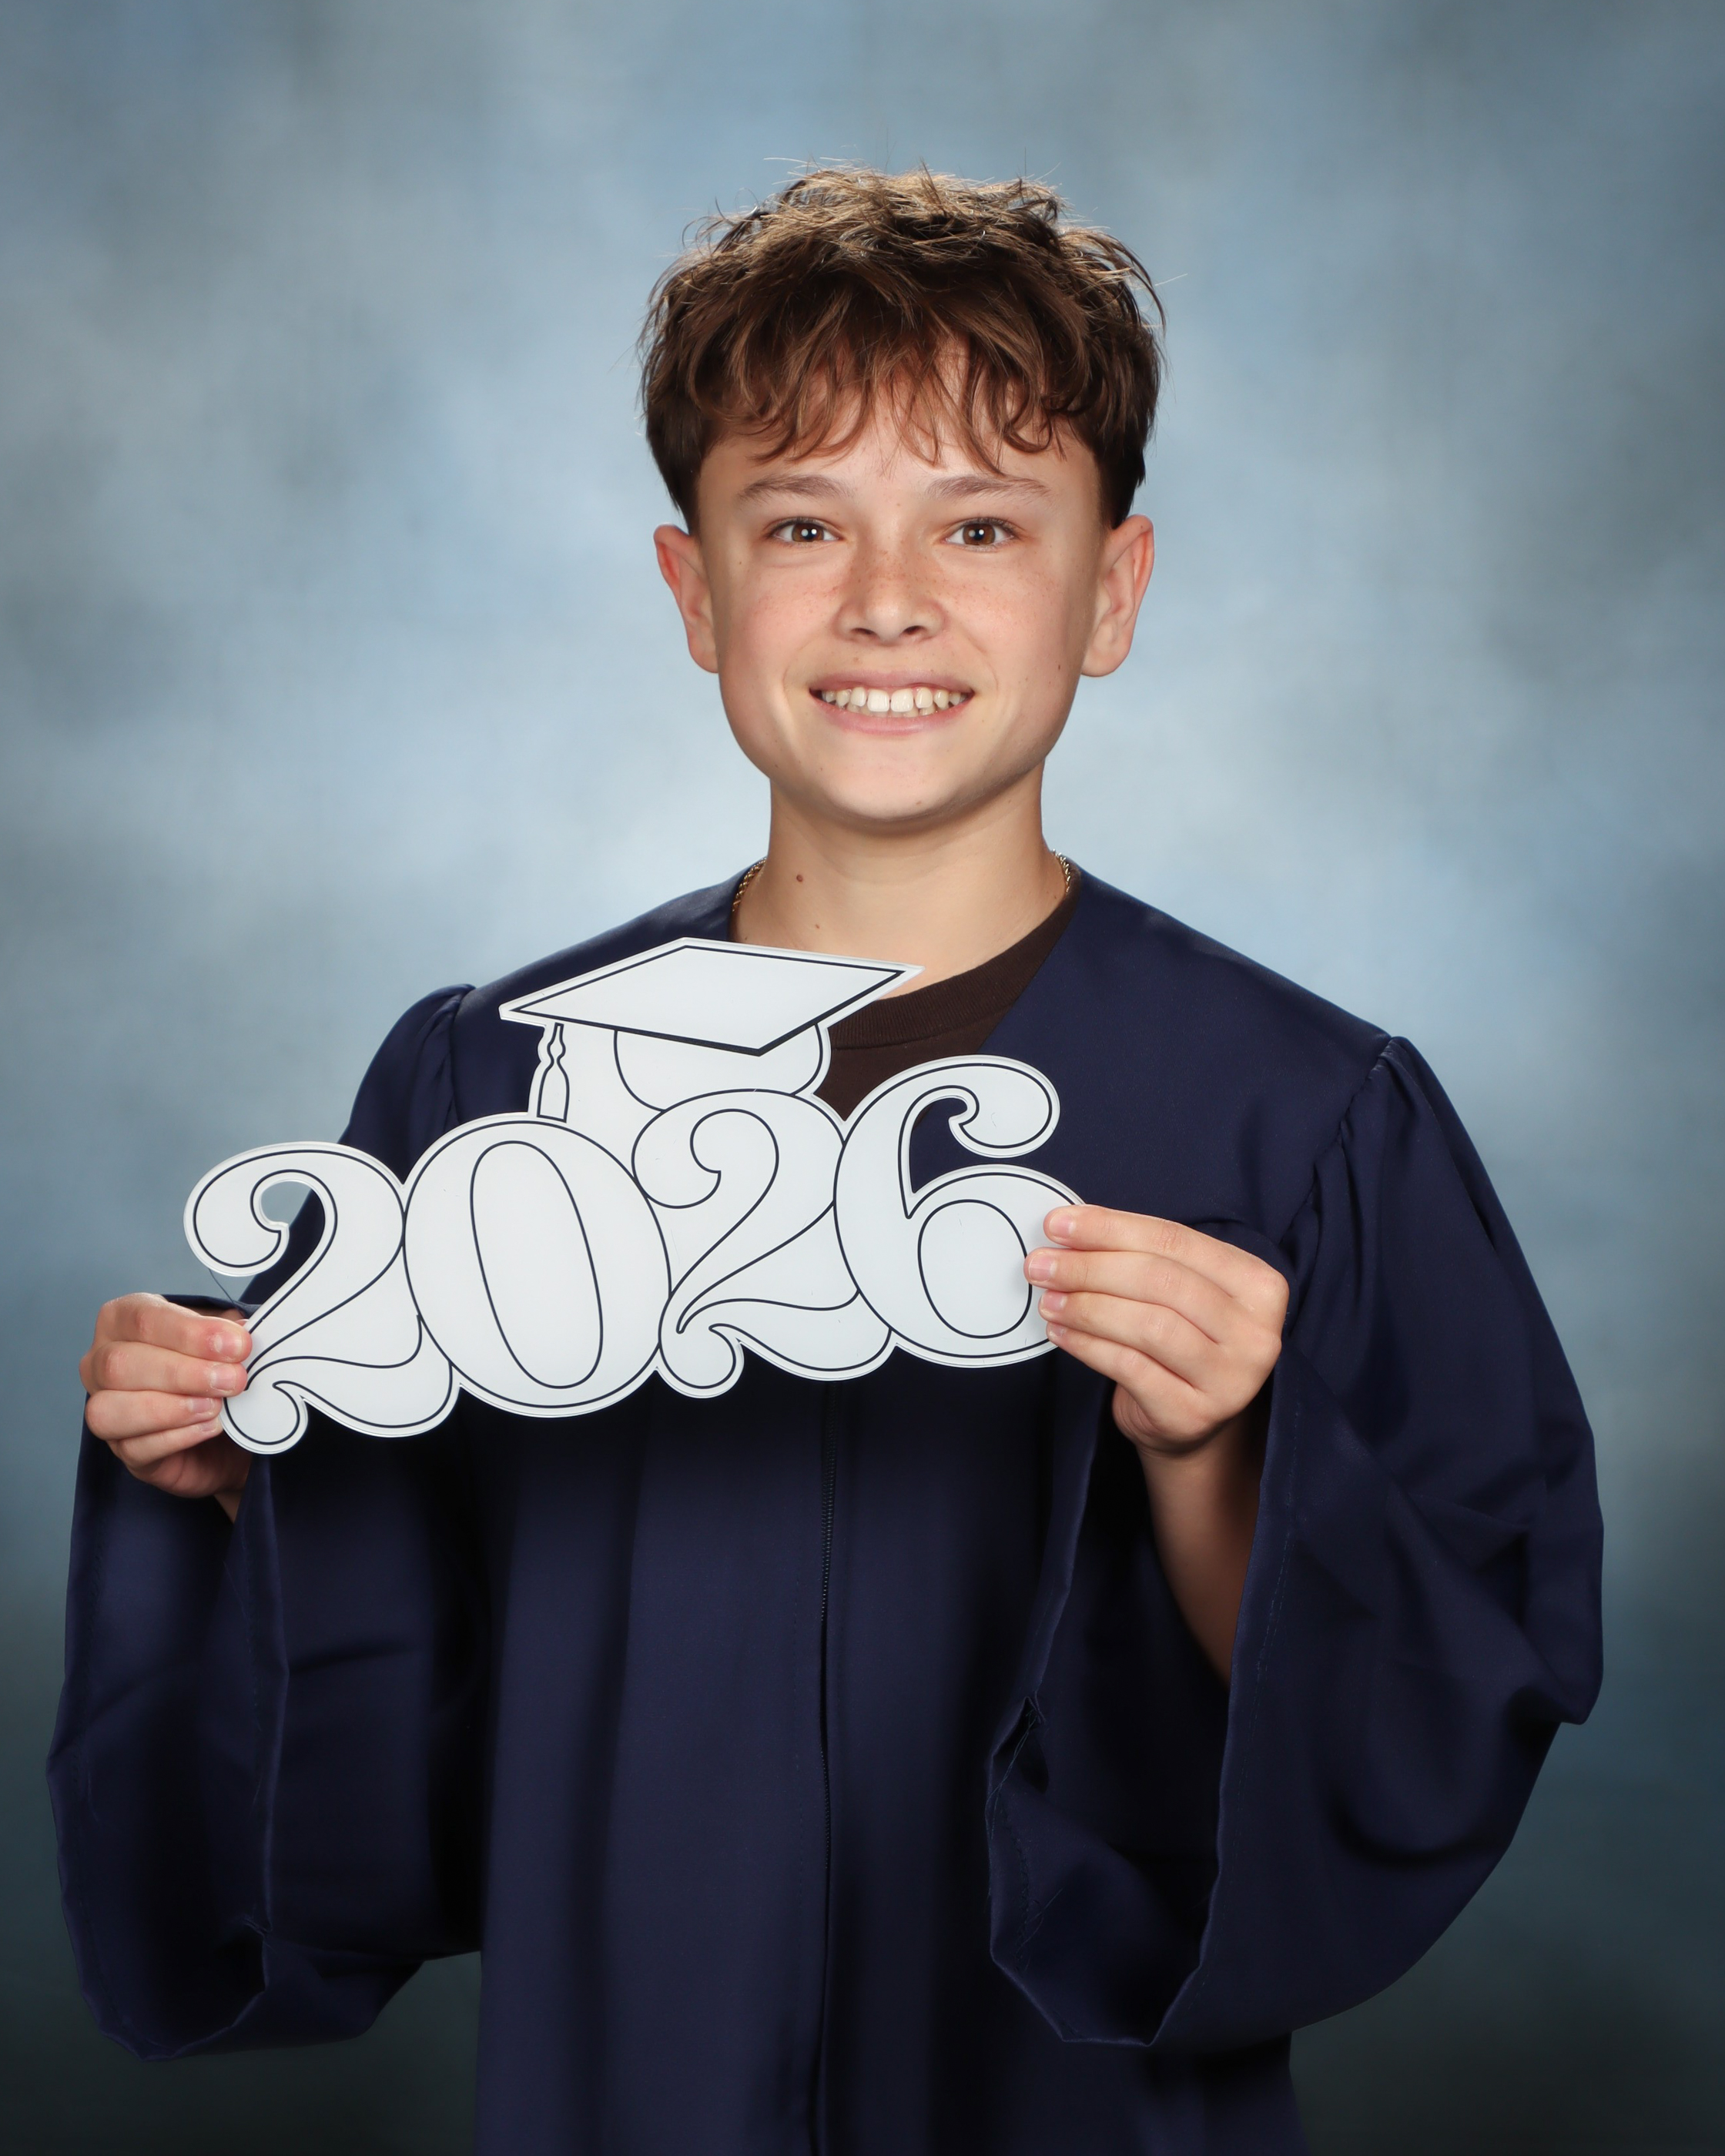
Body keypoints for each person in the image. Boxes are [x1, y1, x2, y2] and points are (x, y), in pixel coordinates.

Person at [54, 169, 1602, 2155]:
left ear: (1113, 590)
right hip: (627, 2077)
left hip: (1064, 2110)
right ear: (695, 594)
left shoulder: (1297, 1118)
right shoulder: (486, 1085)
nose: (888, 600)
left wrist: (1228, 1451)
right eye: (801, 525)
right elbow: (385, 1703)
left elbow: (1427, 1722)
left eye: (982, 524)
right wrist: (231, 1484)